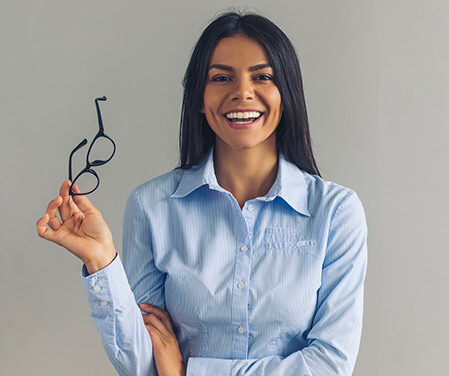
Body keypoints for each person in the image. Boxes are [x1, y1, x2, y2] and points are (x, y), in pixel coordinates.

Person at [36, 11, 368, 376]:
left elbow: (330, 365)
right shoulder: (151, 207)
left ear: (286, 93)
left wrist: (188, 372)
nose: (242, 92)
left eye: (262, 77)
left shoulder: (336, 213)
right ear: (199, 96)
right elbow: (141, 363)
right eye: (221, 77)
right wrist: (101, 260)